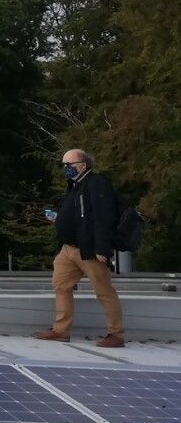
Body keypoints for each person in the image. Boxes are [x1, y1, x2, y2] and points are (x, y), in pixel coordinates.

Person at [33, 148, 125, 348]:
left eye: (69, 165)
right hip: (68, 248)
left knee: (104, 290)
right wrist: (59, 219)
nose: (66, 168)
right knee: (61, 286)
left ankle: (116, 334)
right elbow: (78, 216)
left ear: (83, 165)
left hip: (89, 250)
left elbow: (103, 217)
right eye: (64, 165)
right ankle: (61, 330)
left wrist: (102, 248)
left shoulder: (96, 183)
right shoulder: (74, 185)